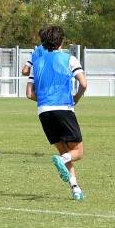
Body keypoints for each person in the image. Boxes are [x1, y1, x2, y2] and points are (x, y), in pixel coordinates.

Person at [26, 25, 88, 200]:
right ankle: (63, 165)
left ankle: (76, 189)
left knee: (64, 152)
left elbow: (29, 93)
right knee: (77, 152)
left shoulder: (36, 64)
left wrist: (46, 100)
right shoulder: (70, 59)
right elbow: (83, 84)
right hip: (63, 109)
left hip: (44, 112)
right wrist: (76, 97)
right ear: (62, 40)